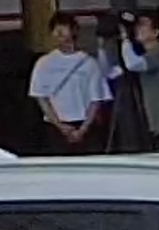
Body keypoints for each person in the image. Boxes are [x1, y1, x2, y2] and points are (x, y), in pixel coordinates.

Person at [30, 13, 112, 154]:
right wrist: (59, 125)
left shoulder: (89, 63)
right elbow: (41, 97)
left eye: (63, 27)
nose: (59, 32)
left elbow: (96, 100)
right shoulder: (44, 63)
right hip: (55, 126)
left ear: (74, 30)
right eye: (56, 29)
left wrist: (83, 129)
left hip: (85, 124)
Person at [111, 11, 159, 152]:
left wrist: (125, 38)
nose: (138, 29)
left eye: (143, 25)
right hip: (155, 122)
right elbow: (112, 72)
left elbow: (133, 64)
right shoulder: (146, 54)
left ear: (156, 32)